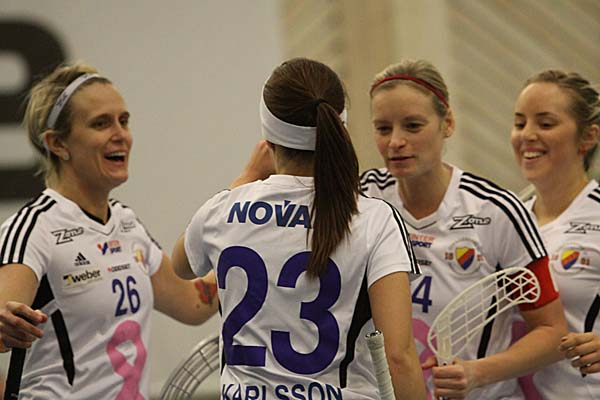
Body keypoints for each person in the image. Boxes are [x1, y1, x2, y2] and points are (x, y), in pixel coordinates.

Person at [172, 57, 426, 399]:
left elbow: (181, 265)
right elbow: (398, 358)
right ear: (339, 126)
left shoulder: (221, 210)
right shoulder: (373, 218)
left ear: (268, 134)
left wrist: (245, 179)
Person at [0, 62, 218, 399]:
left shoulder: (126, 223)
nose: (121, 135)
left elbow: (193, 304)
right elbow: (4, 318)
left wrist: (245, 241)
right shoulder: (34, 228)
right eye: (101, 123)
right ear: (58, 144)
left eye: (124, 121)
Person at [360, 59, 568, 399]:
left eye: (412, 126)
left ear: (448, 123)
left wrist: (476, 373)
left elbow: (552, 331)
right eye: (383, 129)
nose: (395, 141)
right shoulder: (362, 198)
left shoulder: (496, 211)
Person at [511, 69, 600, 399]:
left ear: (588, 137)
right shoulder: (506, 220)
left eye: (545, 123)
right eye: (520, 123)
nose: (527, 135)